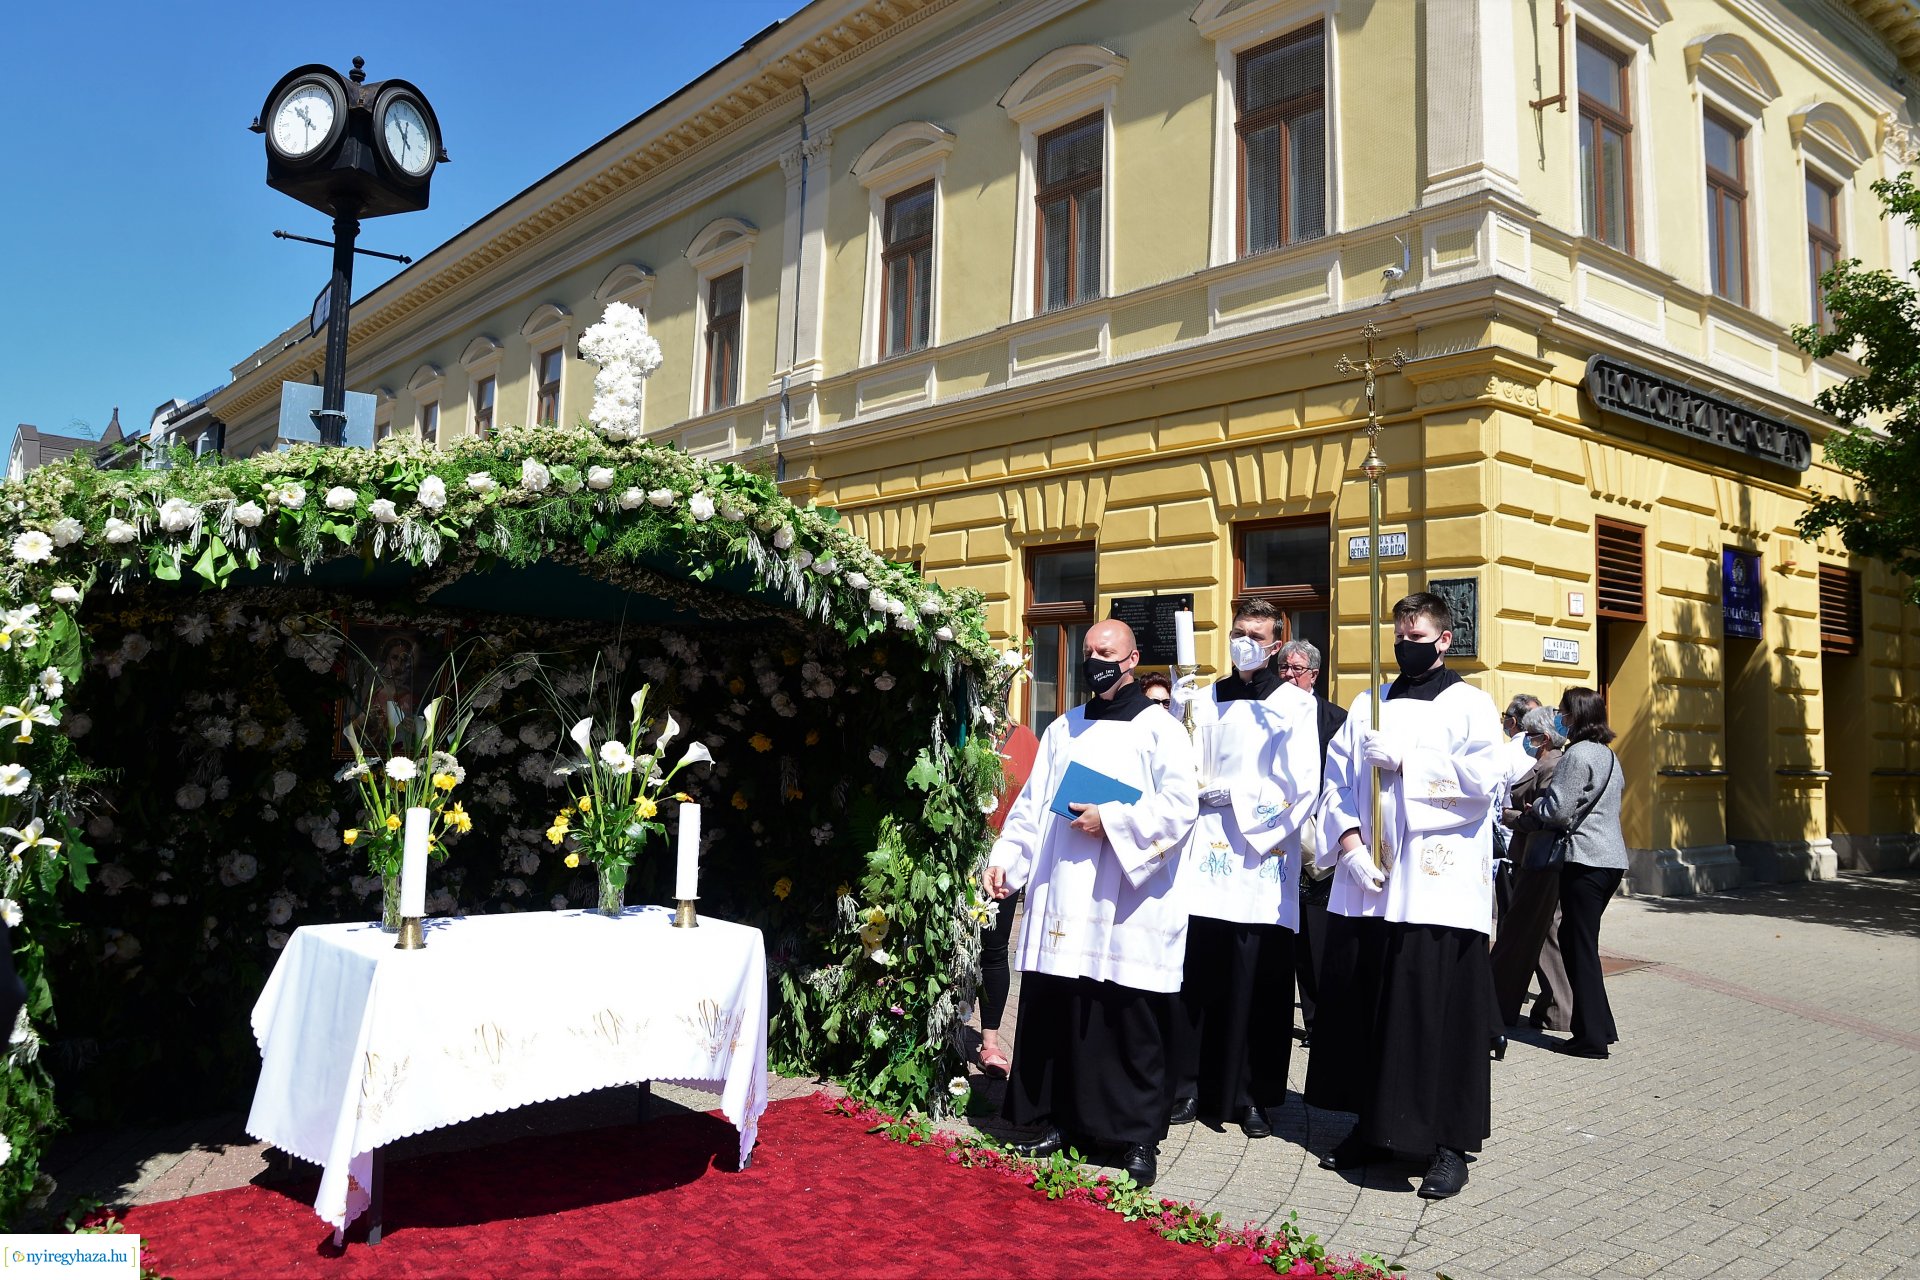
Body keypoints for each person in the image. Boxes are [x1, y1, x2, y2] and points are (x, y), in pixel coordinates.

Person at [985, 619, 1200, 1187]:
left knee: (1126, 1016)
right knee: (1062, 1005)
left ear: (1131, 659)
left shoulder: (1161, 729)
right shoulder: (1064, 728)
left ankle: (1134, 1137)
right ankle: (1054, 1119)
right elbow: (1031, 808)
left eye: (1106, 652)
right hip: (1065, 892)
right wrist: (1008, 858)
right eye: (1088, 652)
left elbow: (1181, 806)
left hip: (1128, 896)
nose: (1094, 661)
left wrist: (1115, 819)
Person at [1306, 591, 1504, 1200]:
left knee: (1438, 1013)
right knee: (1369, 1007)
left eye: (1415, 635)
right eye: (1397, 633)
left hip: (1435, 890)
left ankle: (1449, 1143)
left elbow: (1483, 782)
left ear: (1444, 639)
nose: (1403, 643)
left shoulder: (1471, 704)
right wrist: (1348, 842)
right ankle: (1373, 1126)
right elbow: (1335, 783)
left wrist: (1409, 762)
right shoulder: (1369, 701)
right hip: (1371, 883)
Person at [1166, 601, 1320, 1139]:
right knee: (1197, 974)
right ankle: (1187, 1085)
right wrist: (1175, 722)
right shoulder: (1203, 698)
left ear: (1277, 644)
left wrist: (1242, 797)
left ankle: (1251, 1094)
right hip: (1203, 850)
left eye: (1255, 634)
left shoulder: (1293, 706)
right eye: (1237, 632)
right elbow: (1174, 767)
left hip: (1259, 857)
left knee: (1257, 979)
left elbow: (1303, 784)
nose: (1244, 641)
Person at [1513, 687, 1626, 1059]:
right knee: (1581, 944)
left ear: (1574, 716)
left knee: (1579, 948)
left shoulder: (1576, 755)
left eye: (1563, 712)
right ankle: (1599, 1026)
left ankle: (1591, 1039)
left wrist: (1535, 809)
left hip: (1585, 859)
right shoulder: (1609, 755)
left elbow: (1560, 811)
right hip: (1610, 860)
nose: (1559, 717)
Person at [1278, 638, 1345, 1048]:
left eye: (1296, 669)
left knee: (1317, 943)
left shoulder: (1335, 720)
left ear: (1314, 676)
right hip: (1272, 841)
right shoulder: (1263, 714)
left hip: (1317, 846)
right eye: (1282, 668)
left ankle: (1321, 1024)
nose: (1287, 675)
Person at [1488, 706, 1573, 1031]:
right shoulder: (1546, 763)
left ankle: (1497, 1006)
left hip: (1537, 857)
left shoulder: (1553, 765)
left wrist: (1513, 817)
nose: (1527, 739)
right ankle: (1558, 1010)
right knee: (1547, 935)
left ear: (1545, 738)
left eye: (1532, 734)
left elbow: (1543, 813)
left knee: (1517, 934)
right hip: (1533, 856)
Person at [977, 720, 1040, 1079]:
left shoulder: (1026, 740)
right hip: (953, 855)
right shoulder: (959, 729)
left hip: (1003, 859)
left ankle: (990, 1042)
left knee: (994, 948)